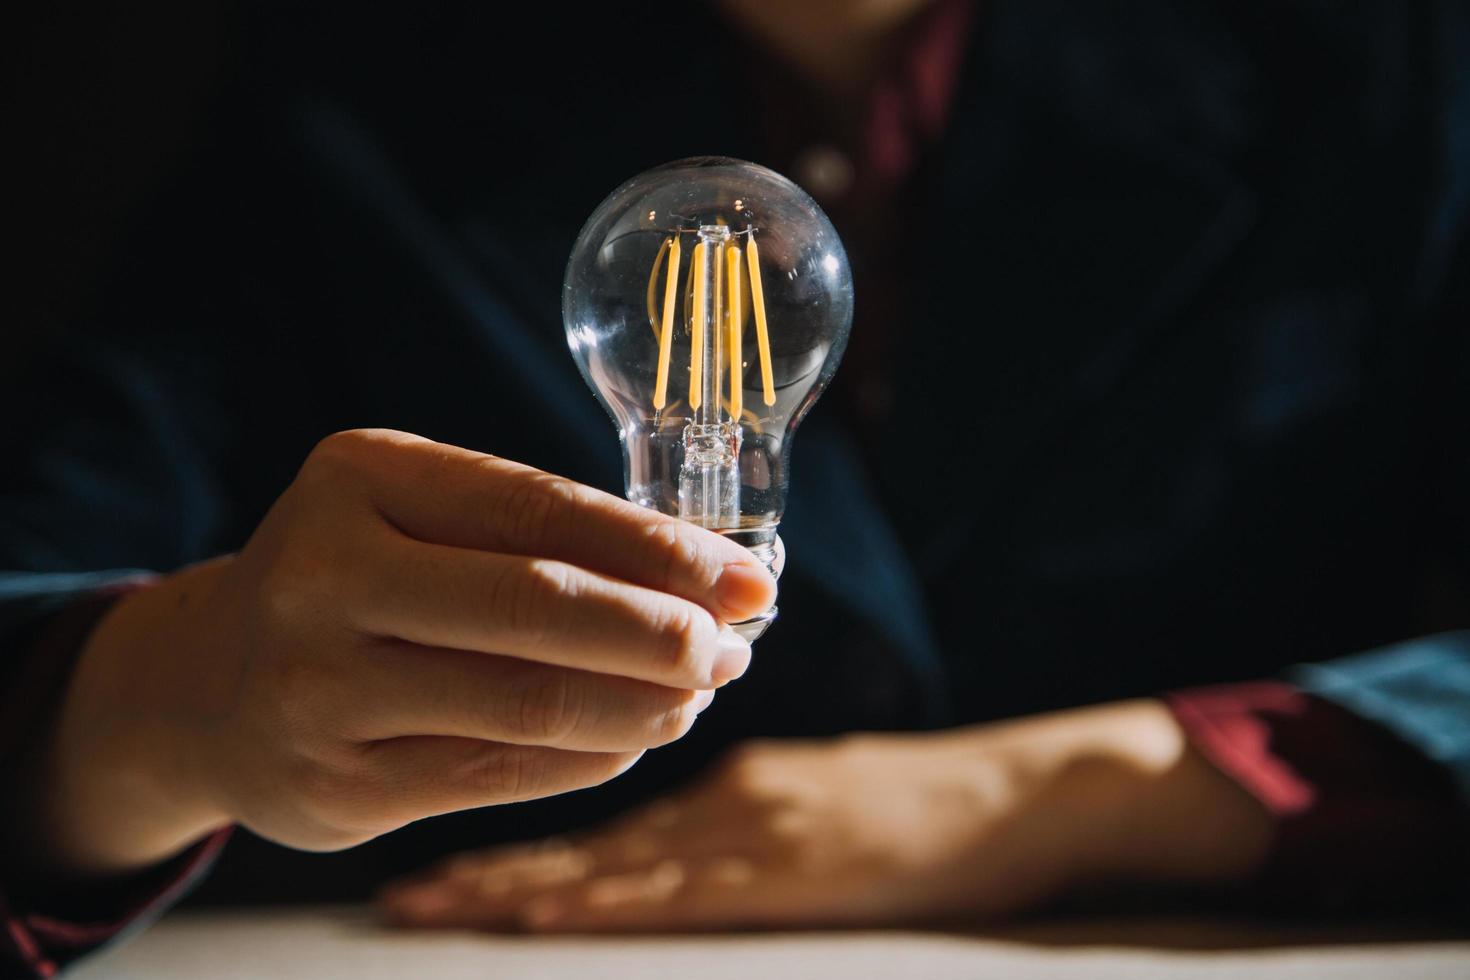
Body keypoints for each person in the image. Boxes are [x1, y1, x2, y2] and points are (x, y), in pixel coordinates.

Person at [3, 0, 1468, 973]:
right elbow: (49, 554)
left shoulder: (1390, 65)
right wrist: (175, 693)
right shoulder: (363, 95)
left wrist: (1083, 793)